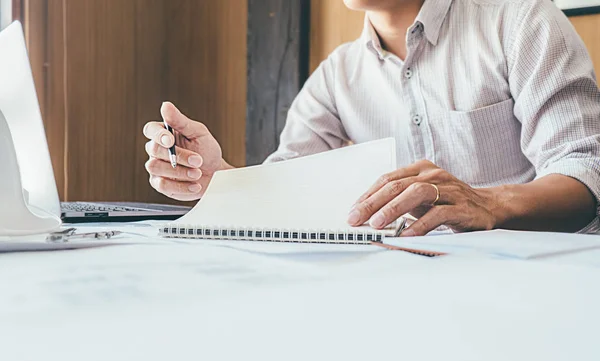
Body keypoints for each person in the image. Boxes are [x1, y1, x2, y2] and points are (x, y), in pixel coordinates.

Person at [143, 0, 600, 236]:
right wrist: (218, 179)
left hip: (535, 285)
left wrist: (491, 203)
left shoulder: (521, 21)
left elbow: (586, 173)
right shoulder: (336, 75)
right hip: (394, 292)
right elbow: (285, 187)